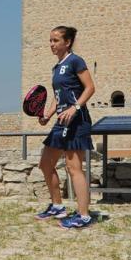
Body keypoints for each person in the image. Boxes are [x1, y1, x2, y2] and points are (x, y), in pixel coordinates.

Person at [34, 26, 97, 229]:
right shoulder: (56, 68)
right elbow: (58, 96)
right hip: (60, 122)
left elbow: (90, 88)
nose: (51, 44)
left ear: (67, 42)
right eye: (50, 40)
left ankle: (84, 215)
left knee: (73, 168)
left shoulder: (75, 61)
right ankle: (57, 206)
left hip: (77, 121)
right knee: (45, 164)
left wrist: (75, 107)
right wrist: (47, 115)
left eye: (55, 40)